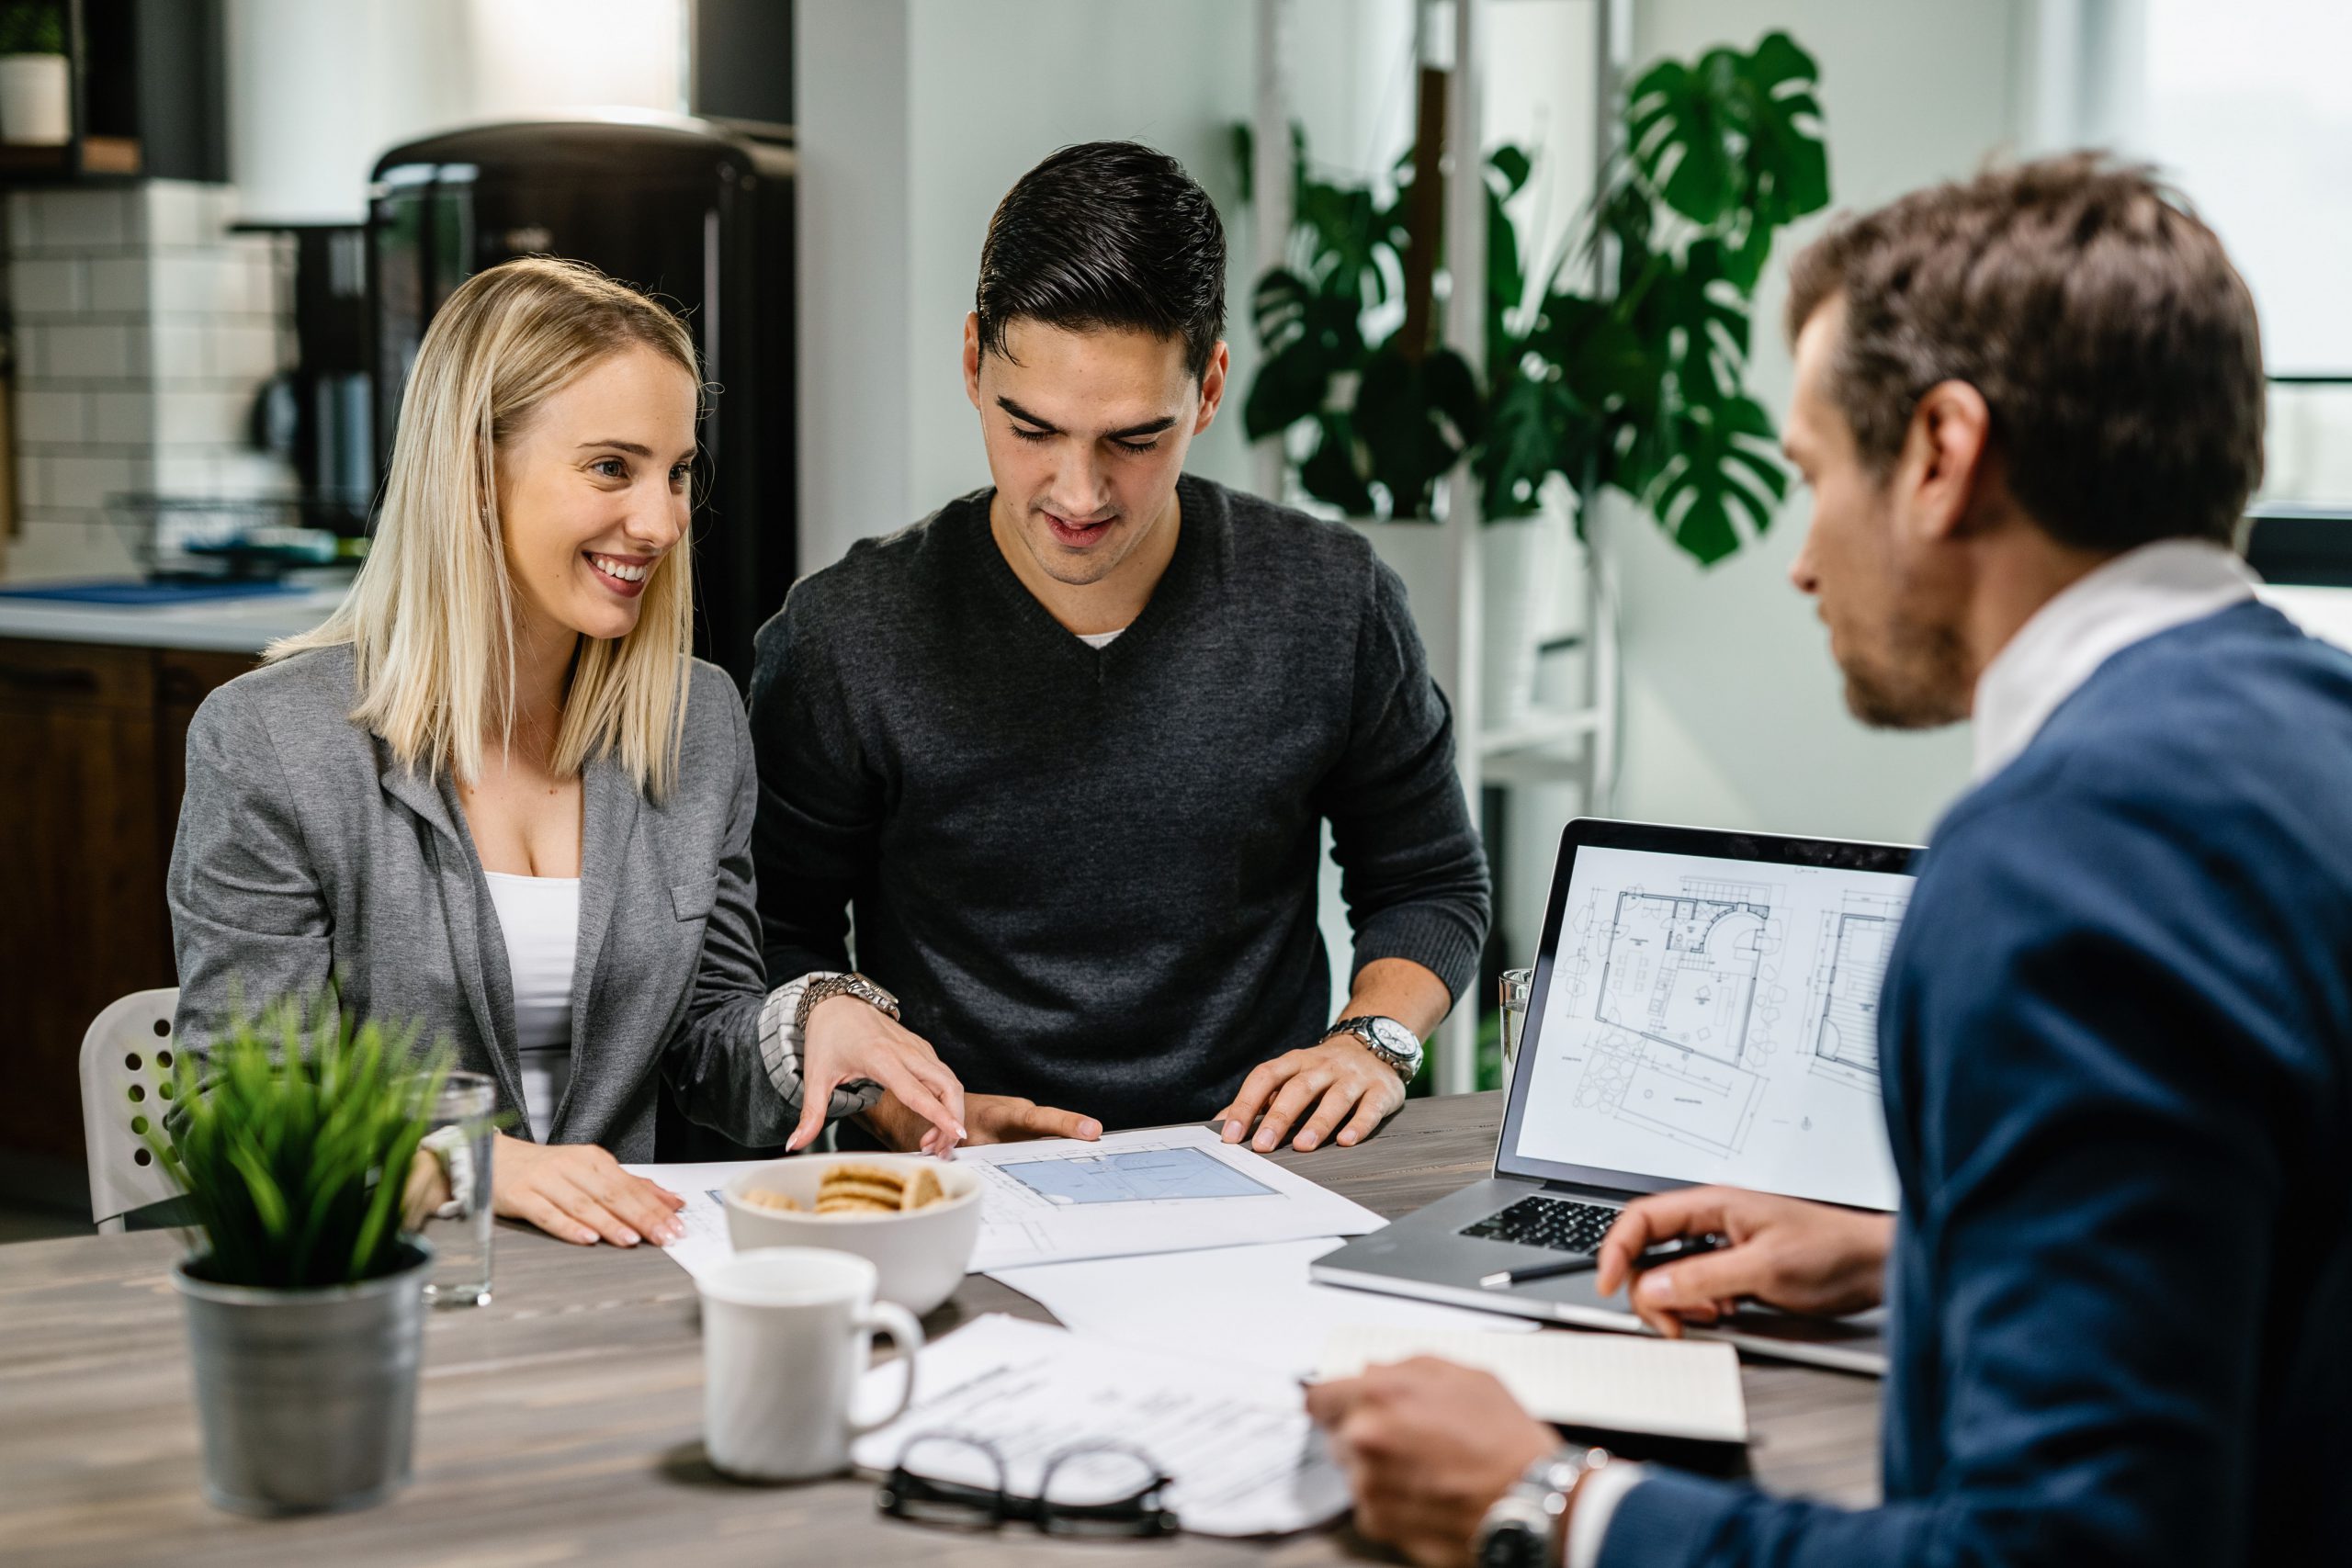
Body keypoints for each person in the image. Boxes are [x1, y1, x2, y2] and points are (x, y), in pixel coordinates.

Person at [1307, 154, 2350, 1566]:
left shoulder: (2060, 859)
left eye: (1811, 474)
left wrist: (1556, 1502)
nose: (1801, 561)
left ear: (1939, 453)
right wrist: (1923, 1258)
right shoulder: (2314, 739)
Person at [169, 257, 966, 1248]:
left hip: (633, 1279)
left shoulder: (696, 720)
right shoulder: (271, 744)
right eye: (610, 468)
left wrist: (809, 1025)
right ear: (472, 471)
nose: (664, 520)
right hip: (392, 1287)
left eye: (678, 472)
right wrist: (472, 1164)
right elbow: (237, 1119)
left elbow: (701, 1034)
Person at [751, 141, 1490, 1152]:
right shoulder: (846, 635)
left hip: (1265, 1171)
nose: (1078, 494)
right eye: (1033, 429)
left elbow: (1429, 883)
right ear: (973, 363)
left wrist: (1371, 1041)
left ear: (1211, 387)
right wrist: (888, 1099)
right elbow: (772, 937)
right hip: (953, 1181)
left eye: (1134, 439)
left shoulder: (1330, 601)